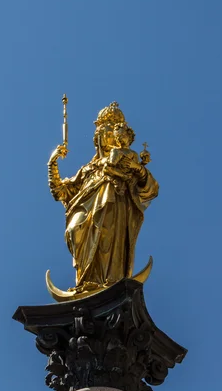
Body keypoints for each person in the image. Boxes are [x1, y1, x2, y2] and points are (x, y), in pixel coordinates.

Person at [48, 103, 158, 293]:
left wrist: (138, 170)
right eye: (103, 133)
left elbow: (151, 188)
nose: (107, 138)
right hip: (86, 205)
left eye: (110, 134)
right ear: (97, 138)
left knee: (106, 235)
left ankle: (108, 280)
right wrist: (53, 162)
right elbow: (61, 192)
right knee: (75, 230)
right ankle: (85, 280)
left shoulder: (124, 160)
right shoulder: (88, 169)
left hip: (114, 203)